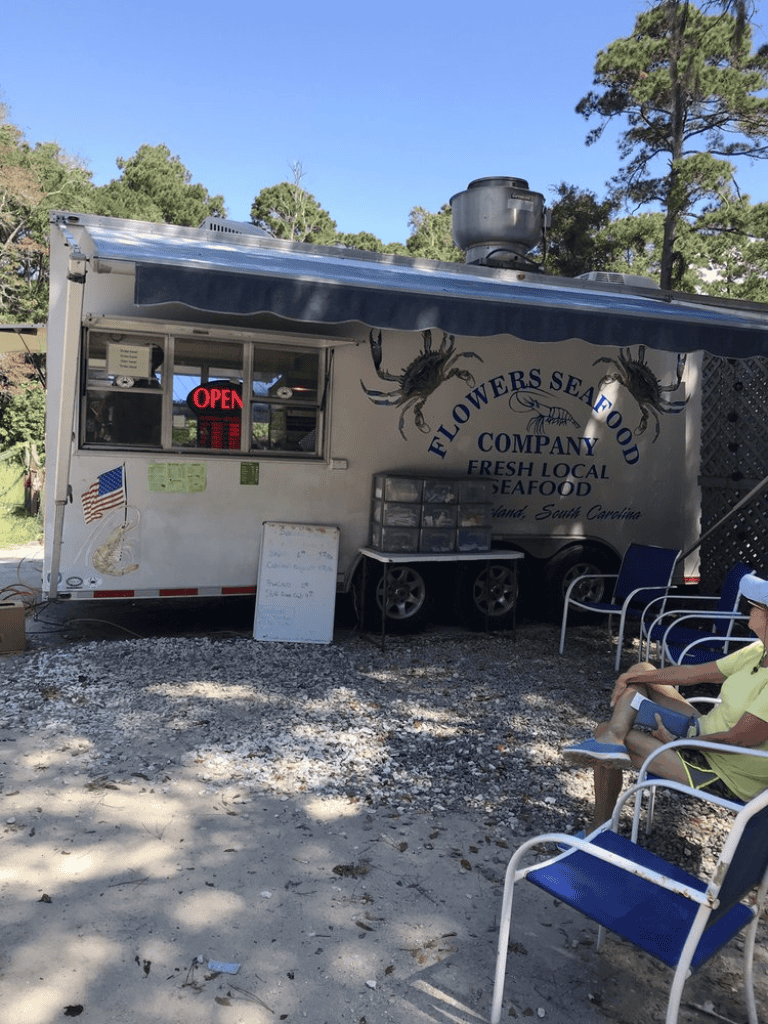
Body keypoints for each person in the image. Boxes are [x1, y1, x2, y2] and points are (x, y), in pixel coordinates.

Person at [561, 571, 768, 835]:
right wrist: (633, 676)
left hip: (724, 771)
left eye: (754, 604)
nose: (747, 608)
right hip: (703, 733)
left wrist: (677, 743)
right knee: (643, 668)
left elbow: (737, 740)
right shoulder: (758, 650)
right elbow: (694, 674)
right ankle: (614, 737)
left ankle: (598, 827)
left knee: (602, 733)